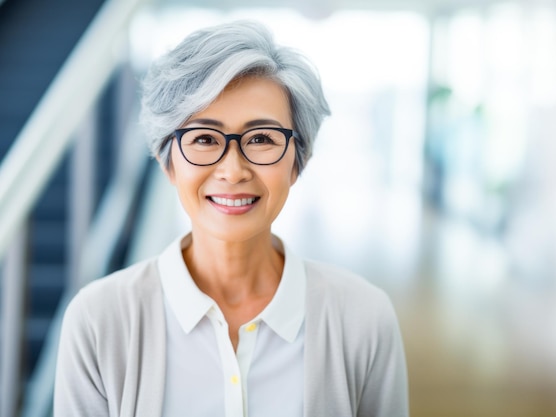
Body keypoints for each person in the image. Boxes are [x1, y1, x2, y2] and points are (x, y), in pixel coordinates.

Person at [54, 20, 409, 417]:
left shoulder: (363, 319)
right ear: (166, 161)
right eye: (204, 139)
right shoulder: (98, 322)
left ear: (299, 161)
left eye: (261, 139)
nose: (233, 170)